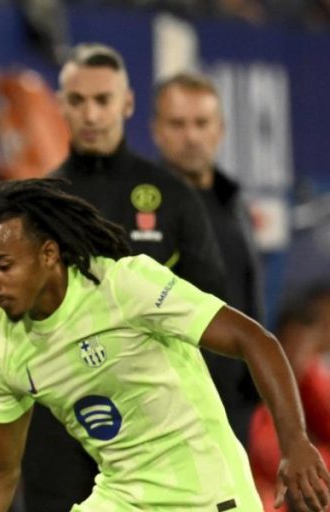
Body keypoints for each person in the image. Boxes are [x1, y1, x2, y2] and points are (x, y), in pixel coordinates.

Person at [0, 178, 330, 512]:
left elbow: (253, 339)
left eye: (3, 265)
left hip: (209, 497)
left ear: (48, 254)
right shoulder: (2, 339)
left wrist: (294, 443)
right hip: (124, 498)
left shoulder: (124, 286)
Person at [29, 42, 228, 510]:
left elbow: (214, 314)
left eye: (103, 99)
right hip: (61, 424)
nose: (91, 114)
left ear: (128, 103)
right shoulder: (34, 206)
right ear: (60, 105)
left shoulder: (173, 198)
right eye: (78, 100)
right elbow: (8, 314)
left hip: (152, 425)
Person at [151, 71, 263, 446]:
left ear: (220, 130)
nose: (192, 137)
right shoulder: (145, 207)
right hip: (173, 408)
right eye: (178, 124)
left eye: (201, 123)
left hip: (234, 405)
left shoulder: (232, 202)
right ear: (157, 131)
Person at [249, 291, 330, 511]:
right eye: (289, 345)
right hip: (263, 489)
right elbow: (268, 455)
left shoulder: (313, 381)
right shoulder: (255, 388)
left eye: (304, 347)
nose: (295, 355)